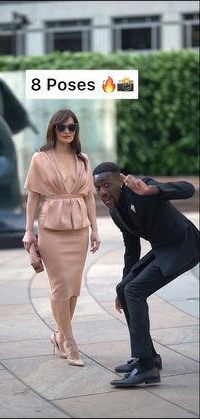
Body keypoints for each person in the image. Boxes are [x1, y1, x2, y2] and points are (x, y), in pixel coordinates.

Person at [93, 162, 199, 387]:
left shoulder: (141, 188)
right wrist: (122, 283)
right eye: (98, 187)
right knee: (125, 289)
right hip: (163, 248)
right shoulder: (115, 211)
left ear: (120, 181)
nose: (102, 192)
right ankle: (148, 356)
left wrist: (152, 190)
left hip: (184, 244)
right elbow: (132, 251)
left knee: (134, 291)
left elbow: (187, 188)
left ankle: (146, 367)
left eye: (106, 185)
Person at [22, 109, 100, 367]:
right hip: (51, 230)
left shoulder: (84, 160)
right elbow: (33, 196)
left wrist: (95, 230)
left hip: (79, 230)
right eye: (62, 127)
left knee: (74, 289)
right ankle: (70, 342)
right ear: (53, 129)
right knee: (60, 287)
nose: (67, 131)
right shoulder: (40, 159)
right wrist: (28, 231)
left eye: (72, 127)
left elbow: (89, 196)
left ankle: (58, 336)